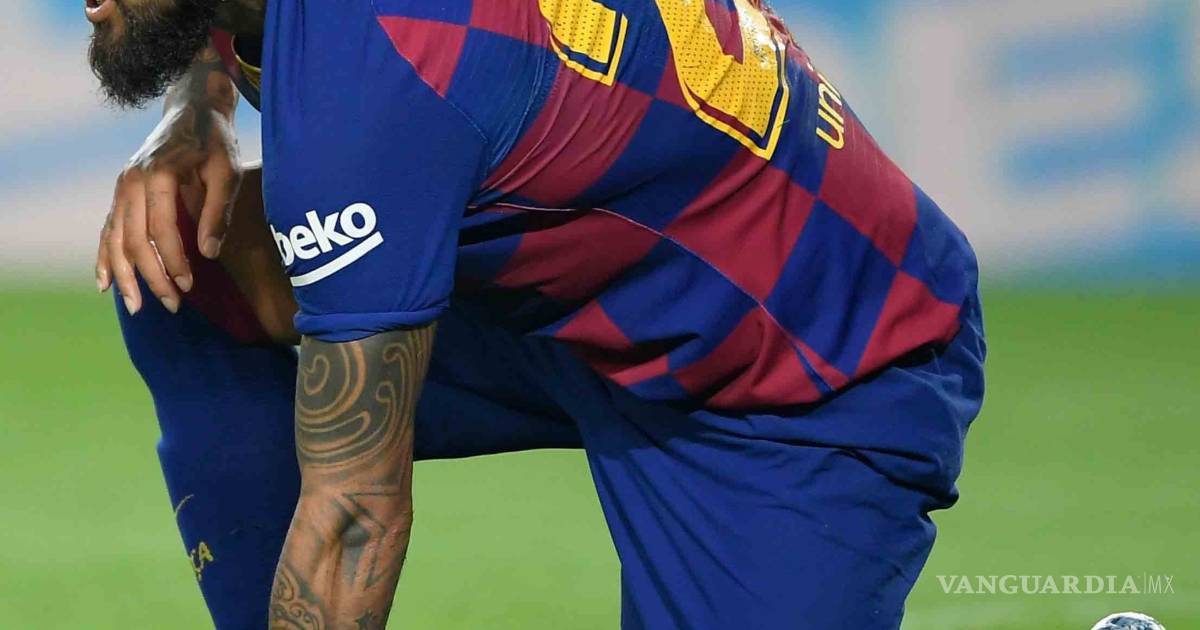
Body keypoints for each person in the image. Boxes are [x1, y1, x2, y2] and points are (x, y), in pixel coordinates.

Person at [87, 0, 986, 627]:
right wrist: (199, 104)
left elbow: (354, 512)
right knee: (181, 261)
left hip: (801, 368)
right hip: (587, 299)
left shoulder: (375, 79)